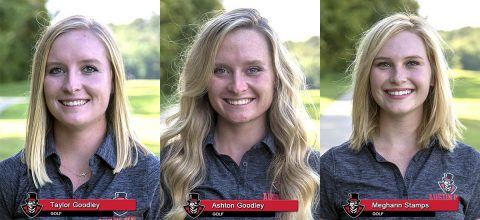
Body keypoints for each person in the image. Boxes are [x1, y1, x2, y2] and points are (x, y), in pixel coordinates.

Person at [160, 8, 320, 220]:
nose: (237, 86)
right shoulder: (169, 167)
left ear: (277, 77)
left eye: (253, 69)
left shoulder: (311, 171)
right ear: (202, 79)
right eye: (220, 70)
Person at [320, 13, 480, 219]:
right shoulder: (332, 166)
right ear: (367, 76)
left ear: (433, 75)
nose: (398, 77)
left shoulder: (470, 164)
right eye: (384, 64)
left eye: (412, 63)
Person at [0, 15, 160, 219]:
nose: (71, 85)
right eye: (56, 70)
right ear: (41, 83)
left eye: (89, 68)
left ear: (113, 80)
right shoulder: (9, 177)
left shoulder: (150, 175)